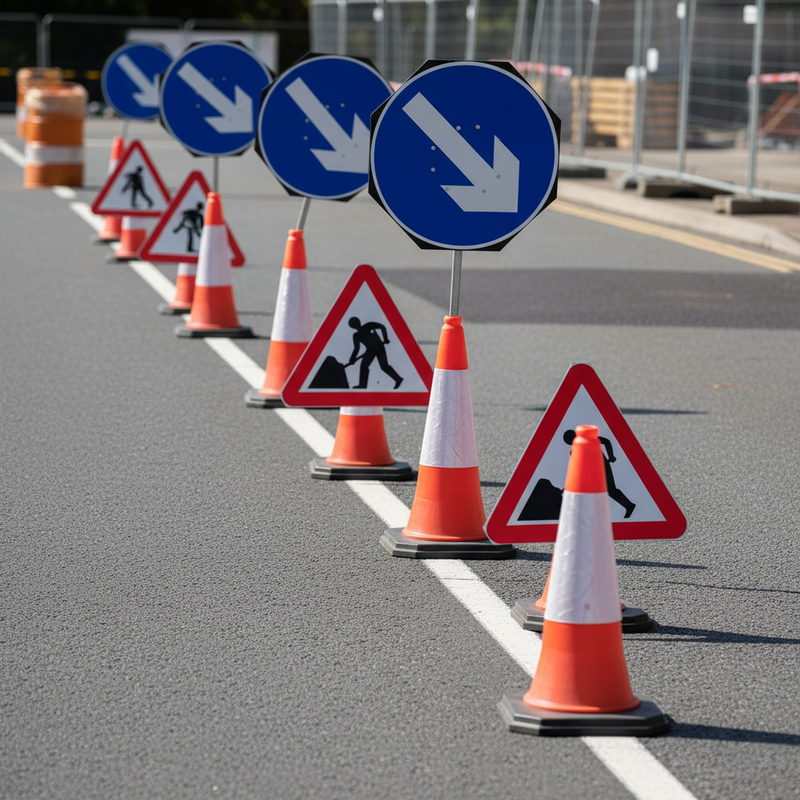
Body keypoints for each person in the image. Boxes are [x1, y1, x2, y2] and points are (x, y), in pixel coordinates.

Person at [563, 429, 636, 518]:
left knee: (611, 490)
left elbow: (606, 441)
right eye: (570, 441)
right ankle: (596, 517)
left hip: (602, 467)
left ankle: (629, 506)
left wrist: (611, 456)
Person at [345, 317, 403, 389]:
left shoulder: (368, 326)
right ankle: (362, 385)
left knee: (384, 366)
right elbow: (356, 348)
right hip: (370, 350)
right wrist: (352, 358)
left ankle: (398, 379)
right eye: (353, 324)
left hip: (379, 347)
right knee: (364, 366)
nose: (355, 325)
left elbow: (382, 327)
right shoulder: (356, 335)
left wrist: (385, 338)